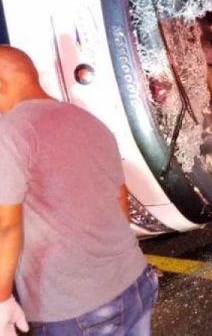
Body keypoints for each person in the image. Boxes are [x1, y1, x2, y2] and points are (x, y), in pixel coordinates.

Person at [0, 46, 157, 335]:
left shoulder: (11, 132)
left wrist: (2, 298)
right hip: (134, 281)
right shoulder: (87, 120)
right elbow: (119, 197)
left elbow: (6, 227)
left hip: (76, 308)